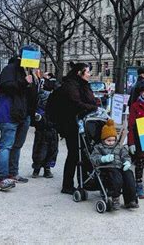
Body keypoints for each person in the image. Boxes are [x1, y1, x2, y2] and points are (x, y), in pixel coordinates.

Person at [0, 46, 39, 191]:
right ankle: (2, 178)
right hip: (9, 114)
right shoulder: (10, 69)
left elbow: (31, 96)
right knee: (6, 146)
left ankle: (13, 173)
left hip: (23, 115)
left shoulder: (30, 72)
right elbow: (5, 86)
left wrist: (35, 83)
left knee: (17, 146)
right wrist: (24, 82)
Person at [59, 62, 98, 194]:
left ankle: (84, 181)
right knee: (74, 154)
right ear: (79, 73)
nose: (89, 74)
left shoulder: (82, 84)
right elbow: (75, 103)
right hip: (72, 125)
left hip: (83, 124)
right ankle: (67, 185)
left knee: (83, 153)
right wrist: (92, 107)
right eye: (87, 72)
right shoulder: (71, 85)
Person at [89, 120, 139, 210]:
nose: (111, 142)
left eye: (113, 140)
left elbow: (125, 155)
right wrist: (103, 158)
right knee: (116, 177)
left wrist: (127, 162)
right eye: (109, 140)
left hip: (120, 167)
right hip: (107, 168)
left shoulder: (119, 147)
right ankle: (115, 198)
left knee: (129, 175)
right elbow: (93, 158)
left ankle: (131, 200)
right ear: (103, 139)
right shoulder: (99, 147)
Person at [31, 76, 59, 178]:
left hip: (46, 128)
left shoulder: (41, 96)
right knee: (47, 149)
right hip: (47, 129)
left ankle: (39, 168)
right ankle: (43, 168)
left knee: (43, 149)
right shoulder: (49, 97)